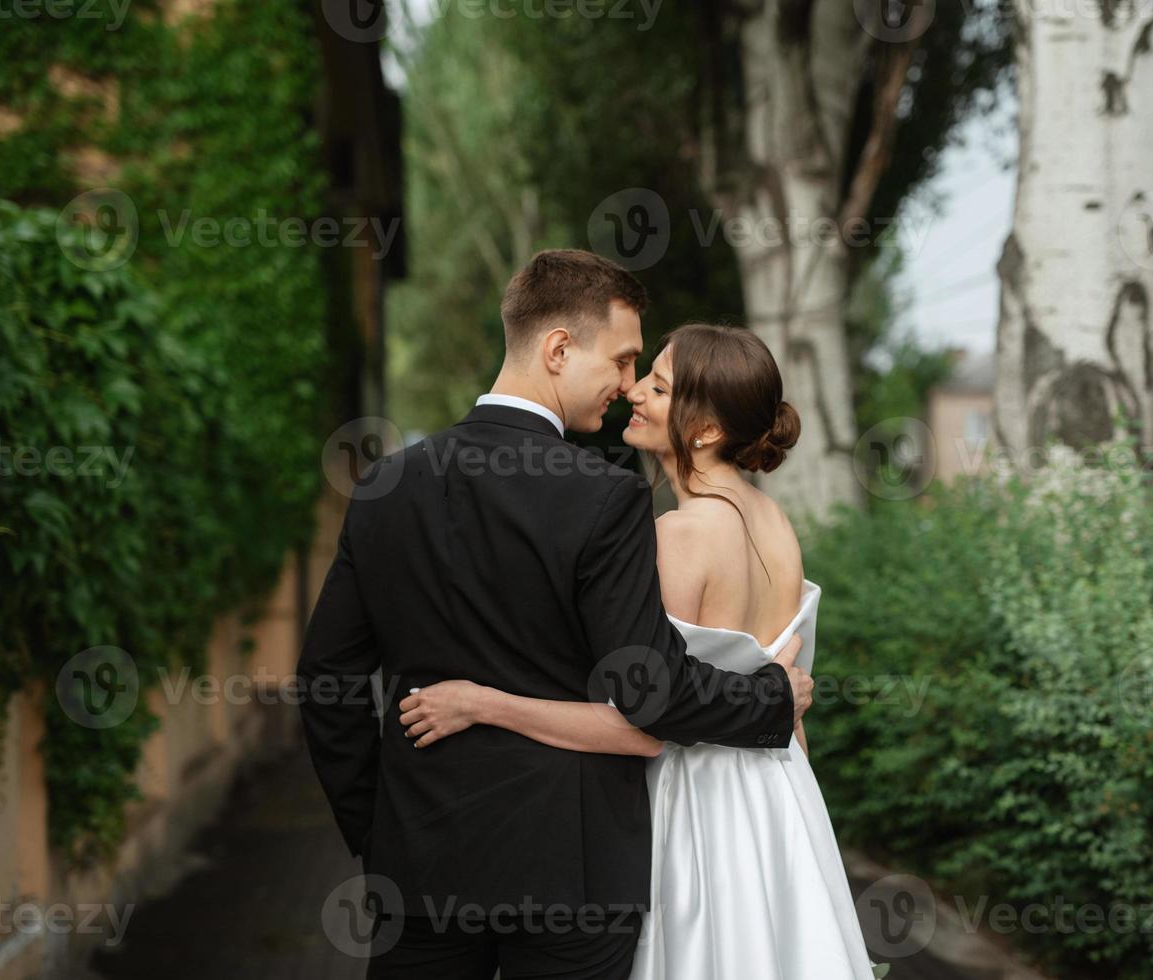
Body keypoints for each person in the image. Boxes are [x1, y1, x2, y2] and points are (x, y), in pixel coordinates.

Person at [297, 250, 815, 979]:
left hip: (420, 869)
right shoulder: (605, 499)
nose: (628, 386)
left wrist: (378, 830)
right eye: (625, 360)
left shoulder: (388, 484)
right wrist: (768, 699)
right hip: (575, 879)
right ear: (559, 348)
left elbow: (327, 678)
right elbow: (649, 691)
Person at [402, 322, 876, 978]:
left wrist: (482, 703)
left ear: (706, 430)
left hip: (698, 810)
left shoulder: (680, 535)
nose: (635, 393)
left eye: (659, 385)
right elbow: (786, 706)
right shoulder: (774, 522)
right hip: (780, 799)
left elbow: (642, 724)